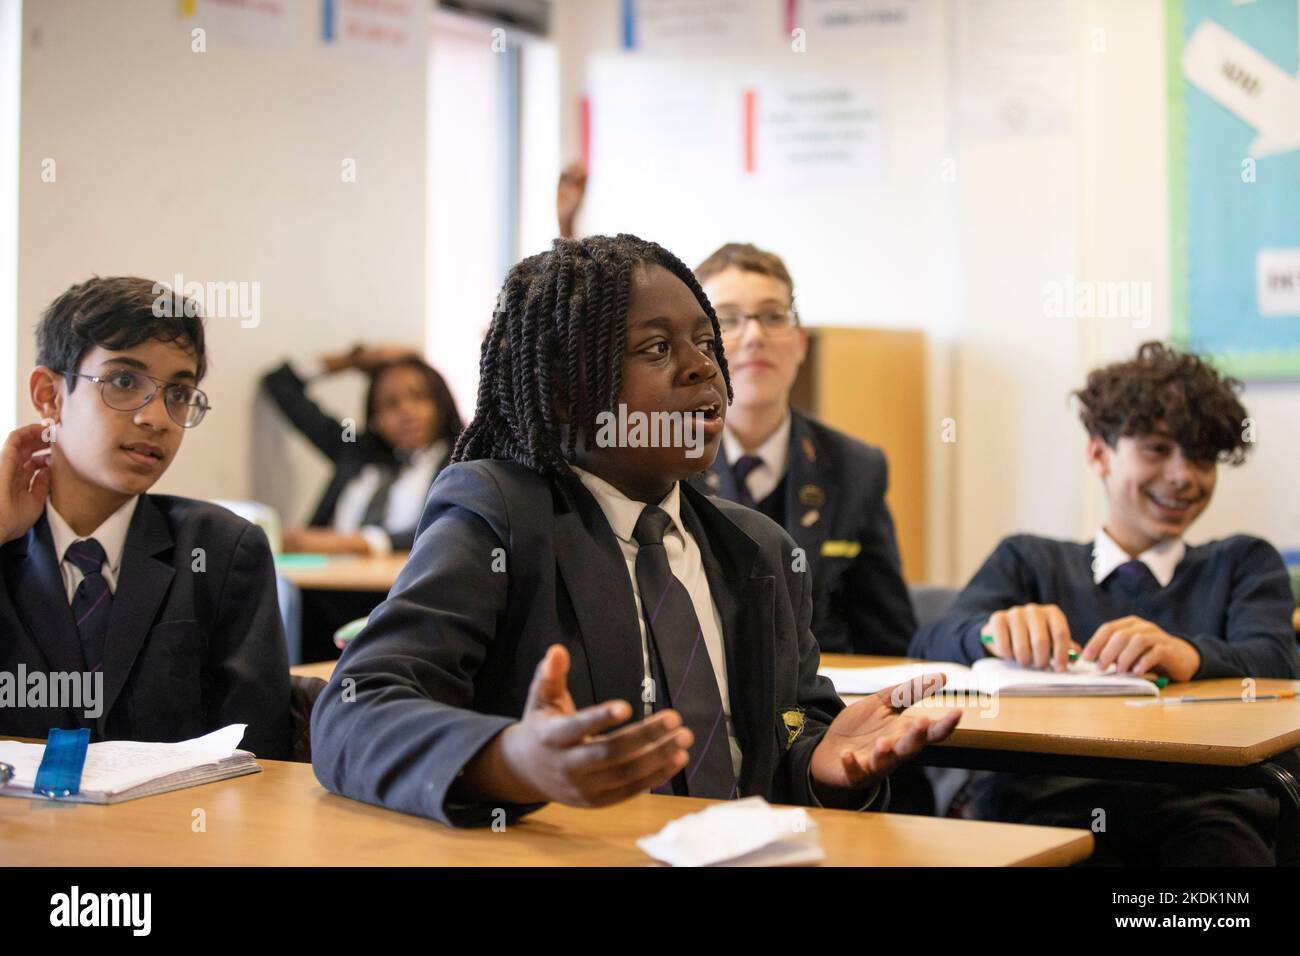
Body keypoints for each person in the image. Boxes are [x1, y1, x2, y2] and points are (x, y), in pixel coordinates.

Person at [311, 235, 959, 825]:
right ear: (566, 393)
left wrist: (822, 764)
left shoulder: (757, 548)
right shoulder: (502, 517)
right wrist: (513, 760)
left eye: (706, 344)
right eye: (657, 348)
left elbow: (793, 734)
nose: (704, 368)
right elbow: (355, 707)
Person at [911, 342, 1300, 864]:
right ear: (1099, 453)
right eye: (1158, 449)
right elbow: (928, 642)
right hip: (1045, 804)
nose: (1183, 475)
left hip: (1203, 807)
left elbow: (1278, 663)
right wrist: (989, 630)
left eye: (1201, 456)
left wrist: (1192, 656)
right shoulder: (1029, 560)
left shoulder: (1242, 563)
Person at [0, 276, 290, 758]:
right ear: (50, 396)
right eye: (124, 381)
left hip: (174, 830)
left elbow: (258, 757)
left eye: (179, 392)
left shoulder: (221, 552)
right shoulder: (5, 542)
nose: (155, 417)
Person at [689, 243, 916, 657]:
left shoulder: (856, 468)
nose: (754, 336)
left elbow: (889, 639)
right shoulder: (662, 461)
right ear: (698, 346)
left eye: (773, 316)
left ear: (799, 342)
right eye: (729, 320)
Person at [261, 347, 463, 556]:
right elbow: (281, 382)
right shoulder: (355, 451)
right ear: (376, 418)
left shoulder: (460, 463)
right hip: (324, 579)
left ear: (441, 404)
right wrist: (354, 360)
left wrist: (356, 543)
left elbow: (447, 530)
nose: (406, 411)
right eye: (390, 404)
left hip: (404, 584)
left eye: (419, 397)